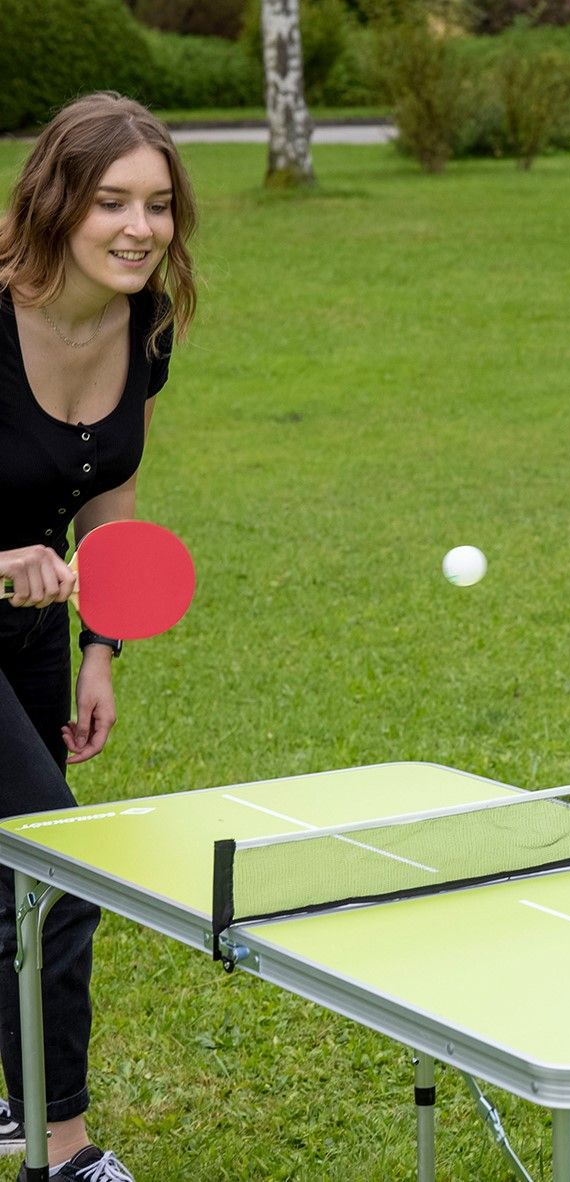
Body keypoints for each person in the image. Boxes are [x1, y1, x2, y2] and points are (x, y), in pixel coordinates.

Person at [0, 92, 197, 1182]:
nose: (139, 228)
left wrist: (99, 647)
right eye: (112, 201)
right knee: (56, 874)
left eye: (158, 205)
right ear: (57, 202)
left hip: (32, 632)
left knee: (11, 877)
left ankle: (18, 1103)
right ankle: (64, 1152)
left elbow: (108, 495)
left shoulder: (143, 324)